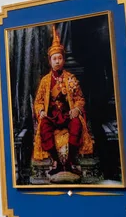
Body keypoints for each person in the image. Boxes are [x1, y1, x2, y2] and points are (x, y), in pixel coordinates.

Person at [32, 25, 93, 176]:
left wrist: (76, 109)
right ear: (50, 61)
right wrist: (40, 111)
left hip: (67, 115)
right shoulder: (46, 81)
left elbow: (80, 98)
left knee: (77, 123)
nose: (57, 61)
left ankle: (70, 161)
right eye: (54, 59)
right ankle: (57, 162)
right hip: (52, 117)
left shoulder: (71, 78)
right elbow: (39, 100)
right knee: (44, 125)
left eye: (60, 58)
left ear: (63, 60)